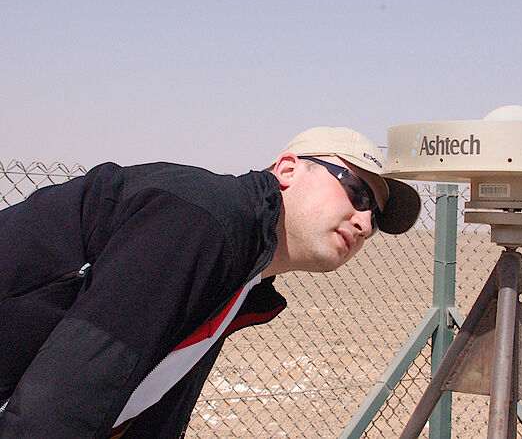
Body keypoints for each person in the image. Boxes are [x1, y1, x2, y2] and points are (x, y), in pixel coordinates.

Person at [0, 126, 421, 438]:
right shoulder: (205, 220)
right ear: (288, 169)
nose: (366, 223)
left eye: (376, 216)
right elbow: (62, 399)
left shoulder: (244, 277)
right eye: (358, 193)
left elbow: (141, 409)